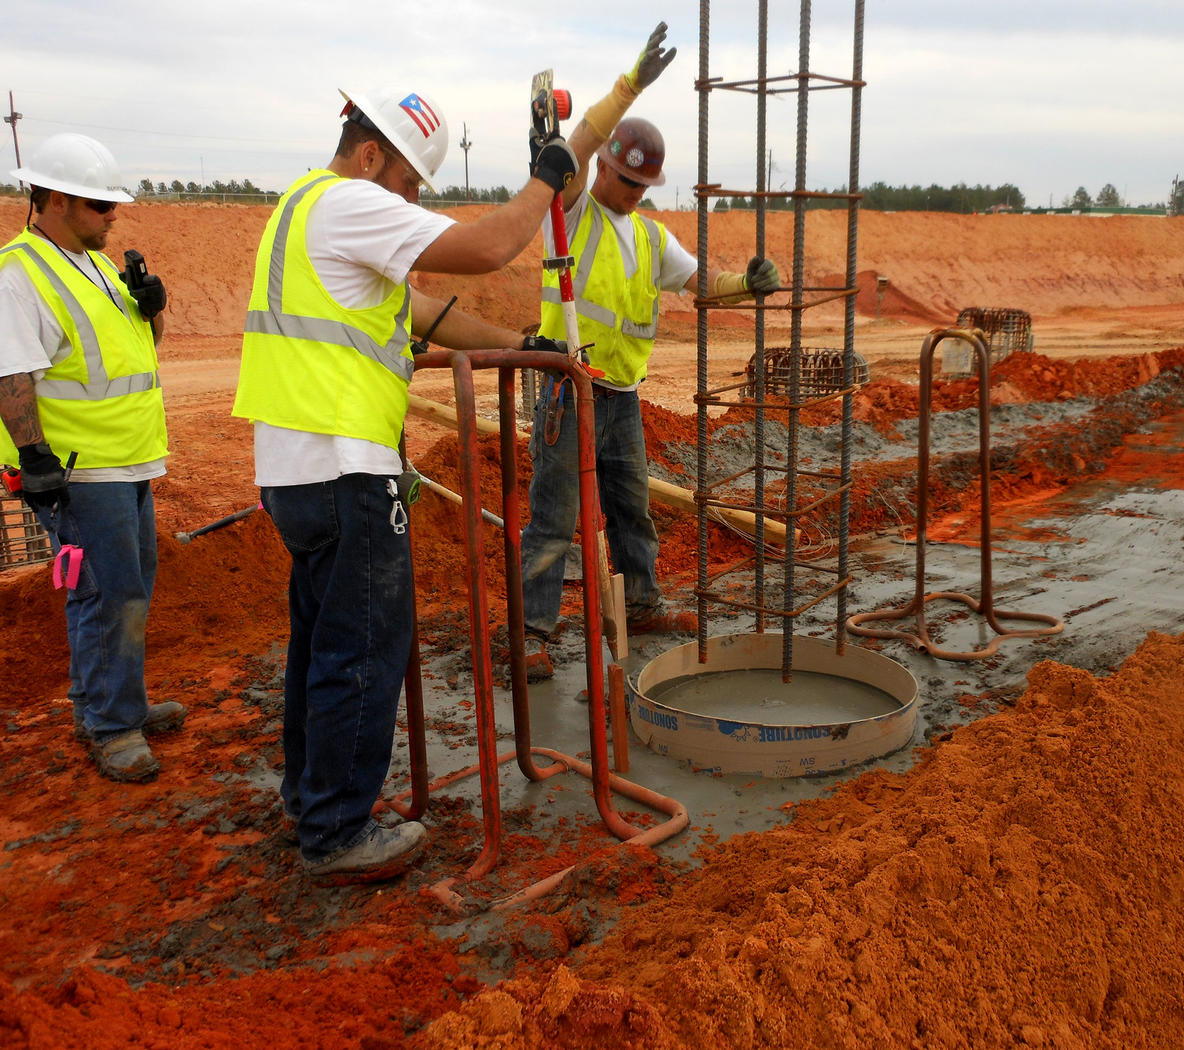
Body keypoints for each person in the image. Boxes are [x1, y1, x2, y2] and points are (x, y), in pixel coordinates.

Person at [232, 86, 576, 886]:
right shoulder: (350, 202)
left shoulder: (303, 210)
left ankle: (310, 800)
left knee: (323, 642)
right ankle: (339, 833)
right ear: (370, 153)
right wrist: (547, 178)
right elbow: (488, 247)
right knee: (365, 646)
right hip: (346, 463)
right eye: (412, 184)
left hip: (297, 467)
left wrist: (515, 344)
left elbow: (418, 309)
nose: (414, 201)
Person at [519, 24, 781, 679]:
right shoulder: (573, 211)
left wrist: (745, 287)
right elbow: (571, 149)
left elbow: (703, 285)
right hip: (567, 383)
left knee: (631, 507)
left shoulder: (651, 238)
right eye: (627, 182)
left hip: (622, 396)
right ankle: (532, 635)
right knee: (554, 517)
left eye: (642, 188)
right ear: (604, 166)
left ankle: (640, 601)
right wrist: (626, 87)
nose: (634, 194)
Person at [0, 133, 183, 782]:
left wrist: (150, 308)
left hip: (129, 460)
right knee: (111, 593)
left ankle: (110, 703)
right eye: (98, 203)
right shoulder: (20, 273)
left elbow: (143, 350)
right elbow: (12, 374)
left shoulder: (101, 266)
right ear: (52, 199)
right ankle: (113, 727)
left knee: (116, 589)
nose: (113, 214)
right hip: (80, 469)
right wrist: (34, 457)